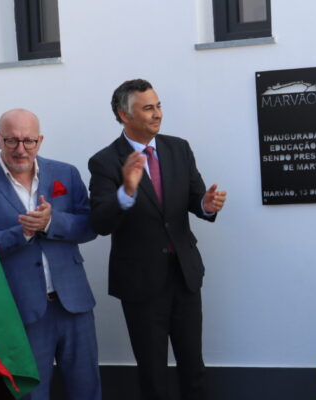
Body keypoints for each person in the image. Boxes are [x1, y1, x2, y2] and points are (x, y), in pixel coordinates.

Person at [88, 79, 227, 400]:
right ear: (125, 115)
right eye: (148, 108)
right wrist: (128, 191)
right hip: (141, 282)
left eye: (159, 105)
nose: (157, 114)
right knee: (153, 374)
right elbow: (100, 221)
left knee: (194, 367)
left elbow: (196, 199)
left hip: (185, 274)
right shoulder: (105, 161)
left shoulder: (178, 148)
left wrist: (206, 206)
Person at [0, 109, 100, 400]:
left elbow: (89, 227)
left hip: (74, 303)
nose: (21, 149)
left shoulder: (66, 174)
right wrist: (20, 233)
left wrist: (51, 222)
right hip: (21, 309)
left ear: (41, 140)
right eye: (12, 141)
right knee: (32, 393)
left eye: (29, 141)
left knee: (87, 389)